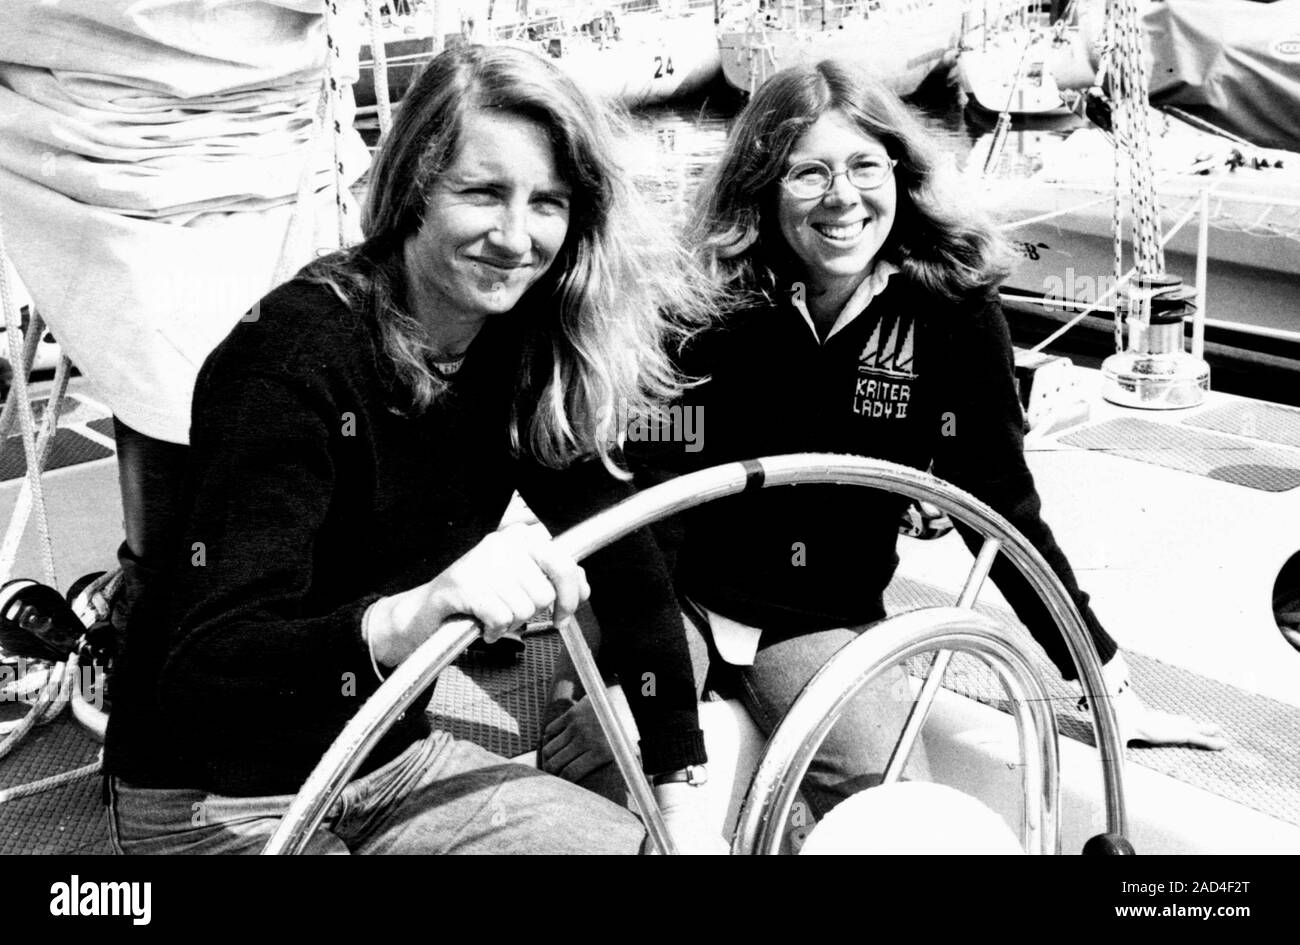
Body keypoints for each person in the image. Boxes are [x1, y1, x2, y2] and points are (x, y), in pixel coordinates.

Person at [540, 59, 1227, 822]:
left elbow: (998, 507)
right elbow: (653, 503)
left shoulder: (952, 314)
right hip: (681, 599)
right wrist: (640, 686)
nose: (843, 198)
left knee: (892, 811)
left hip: (822, 619)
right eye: (808, 174)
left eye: (864, 165)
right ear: (765, 186)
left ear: (898, 173)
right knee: (600, 781)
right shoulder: (704, 300)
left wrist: (1108, 685)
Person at [101, 44, 719, 854]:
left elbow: (626, 564)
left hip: (385, 756)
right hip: (214, 791)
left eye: (548, 203)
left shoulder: (519, 349)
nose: (514, 236)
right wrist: (407, 619)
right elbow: (208, 666)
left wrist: (680, 793)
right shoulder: (291, 358)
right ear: (413, 190)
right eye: (483, 192)